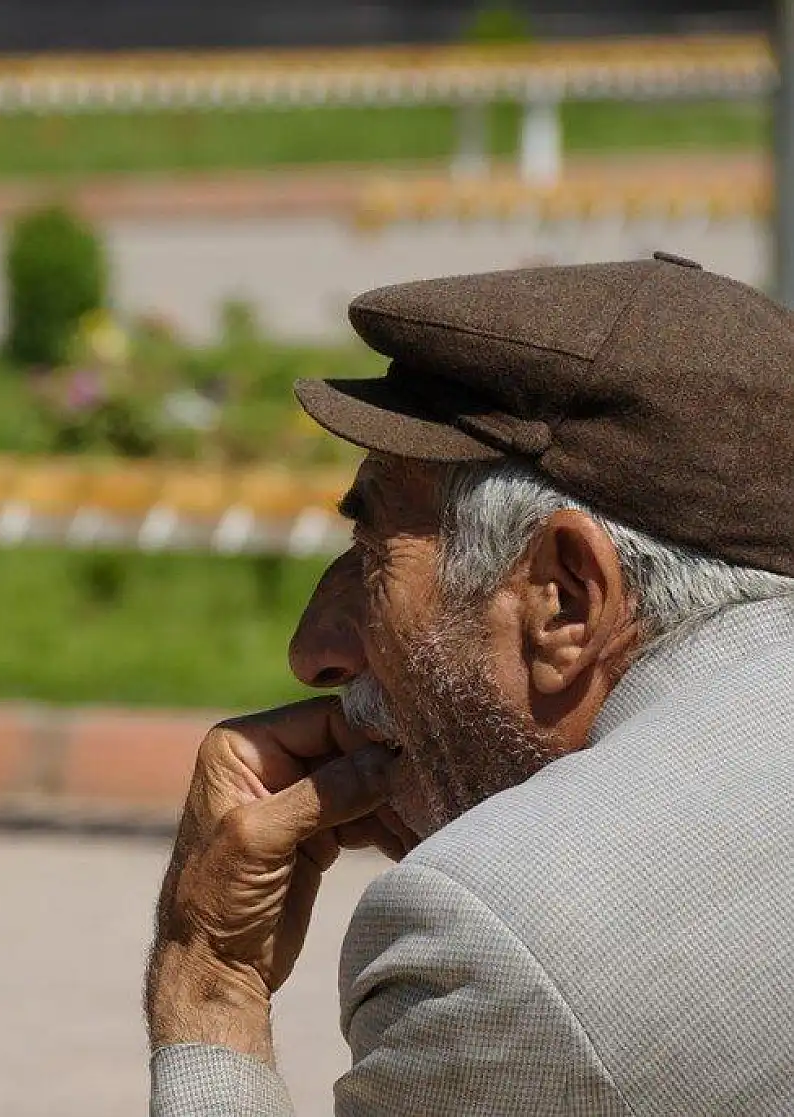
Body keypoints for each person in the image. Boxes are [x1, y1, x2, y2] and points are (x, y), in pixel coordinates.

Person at [146, 253, 794, 1116]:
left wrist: (210, 980)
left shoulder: (499, 939)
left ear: (566, 599)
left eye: (374, 551)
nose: (313, 652)